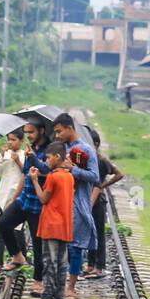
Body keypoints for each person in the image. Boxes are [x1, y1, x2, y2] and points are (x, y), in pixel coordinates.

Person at [0, 121, 50, 296]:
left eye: (32, 132)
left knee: (38, 243)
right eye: (27, 133)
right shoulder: (30, 147)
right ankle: (18, 256)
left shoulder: (50, 149)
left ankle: (38, 281)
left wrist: (33, 158)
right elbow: (25, 174)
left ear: (41, 130)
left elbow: (46, 171)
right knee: (3, 223)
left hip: (38, 204)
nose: (29, 136)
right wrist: (14, 198)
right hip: (24, 199)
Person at [51, 113, 100, 283]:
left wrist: (74, 170)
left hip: (77, 203)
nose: (57, 136)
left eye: (59, 131)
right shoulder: (60, 149)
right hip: (60, 203)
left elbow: (95, 177)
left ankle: (71, 285)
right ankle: (62, 281)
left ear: (70, 128)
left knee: (75, 247)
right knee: (60, 245)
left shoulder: (85, 150)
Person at [30, 142, 76, 299]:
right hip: (65, 226)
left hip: (51, 225)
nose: (47, 161)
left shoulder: (53, 177)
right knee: (62, 263)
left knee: (49, 261)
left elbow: (43, 199)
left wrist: (35, 181)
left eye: (48, 158)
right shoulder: (69, 177)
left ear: (57, 157)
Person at [85, 126, 124, 276]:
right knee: (89, 232)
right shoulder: (86, 160)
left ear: (95, 144)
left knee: (98, 233)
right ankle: (90, 264)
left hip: (98, 201)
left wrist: (102, 185)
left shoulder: (101, 160)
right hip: (87, 199)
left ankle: (99, 266)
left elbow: (119, 174)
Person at [0, 131, 25, 272]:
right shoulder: (4, 155)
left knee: (17, 228)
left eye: (14, 140)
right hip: (4, 196)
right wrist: (3, 157)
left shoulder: (23, 155)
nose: (10, 143)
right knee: (1, 226)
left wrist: (17, 161)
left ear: (21, 141)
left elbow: (26, 173)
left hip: (17, 195)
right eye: (9, 140)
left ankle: (20, 258)